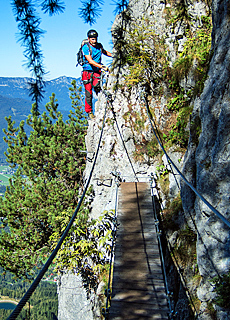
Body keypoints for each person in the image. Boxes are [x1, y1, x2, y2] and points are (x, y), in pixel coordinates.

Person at [82, 29, 112, 119]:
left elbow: (105, 52)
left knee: (99, 87)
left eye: (95, 39)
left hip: (97, 71)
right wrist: (102, 66)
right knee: (88, 93)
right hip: (87, 72)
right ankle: (89, 112)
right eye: (92, 39)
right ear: (89, 39)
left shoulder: (99, 46)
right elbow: (90, 61)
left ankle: (102, 104)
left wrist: (114, 54)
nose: (94, 41)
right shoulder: (86, 47)